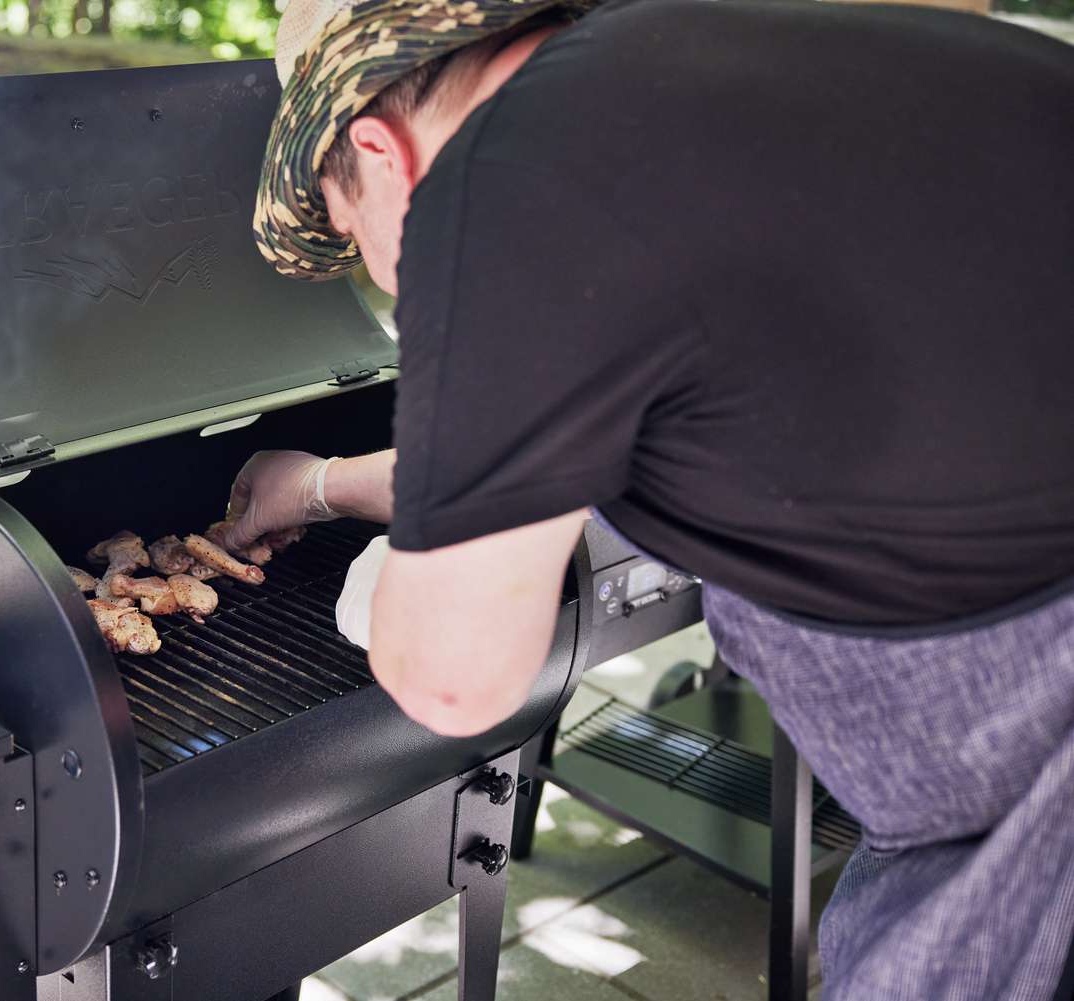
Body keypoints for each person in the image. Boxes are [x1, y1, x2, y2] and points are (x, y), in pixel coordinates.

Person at [222, 0, 1074, 996]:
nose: (376, 270)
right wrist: (321, 488)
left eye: (349, 230)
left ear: (379, 150)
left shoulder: (499, 181)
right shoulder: (713, 70)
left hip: (1026, 729)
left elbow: (456, 676)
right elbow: (567, 439)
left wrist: (403, 585)